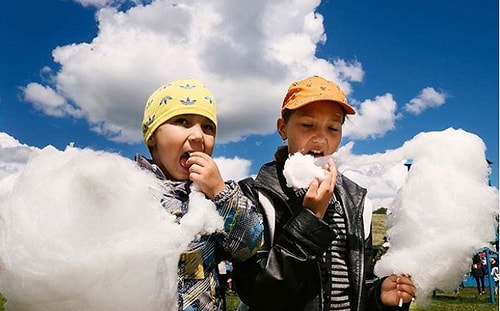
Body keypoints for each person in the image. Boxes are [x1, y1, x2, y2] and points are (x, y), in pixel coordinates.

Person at [233, 76, 416, 310]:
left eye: (333, 128)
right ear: (282, 128)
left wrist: (379, 296)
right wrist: (310, 219)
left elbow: (359, 285)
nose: (321, 138)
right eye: (307, 125)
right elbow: (258, 292)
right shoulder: (256, 196)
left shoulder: (358, 203)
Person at [136, 78, 263, 310]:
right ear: (152, 135)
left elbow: (250, 244)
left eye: (208, 127)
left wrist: (219, 192)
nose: (197, 136)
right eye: (182, 121)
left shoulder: (213, 196)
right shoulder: (129, 187)